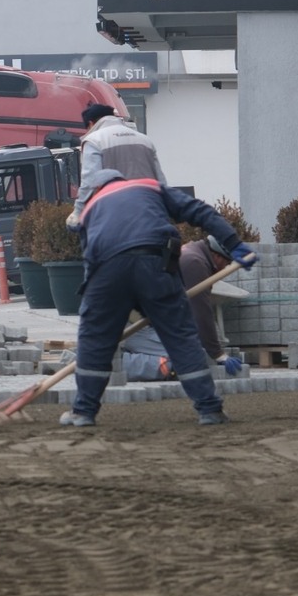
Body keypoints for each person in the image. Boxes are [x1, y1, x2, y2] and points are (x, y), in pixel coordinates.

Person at [62, 169, 256, 428]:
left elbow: (90, 263)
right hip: (155, 263)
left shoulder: (89, 209)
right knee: (181, 337)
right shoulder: (149, 187)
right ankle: (209, 409)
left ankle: (83, 412)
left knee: (94, 341)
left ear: (95, 190)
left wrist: (99, 314)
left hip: (107, 271)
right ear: (122, 181)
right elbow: (200, 211)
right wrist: (233, 244)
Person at [119, 238, 246, 380]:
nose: (225, 268)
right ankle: (115, 363)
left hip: (147, 320)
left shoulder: (192, 253)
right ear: (217, 256)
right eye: (227, 263)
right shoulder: (195, 263)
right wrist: (219, 355)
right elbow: (201, 313)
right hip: (135, 324)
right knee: (188, 358)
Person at [68, 102, 165, 229]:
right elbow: (161, 181)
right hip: (149, 211)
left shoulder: (94, 141)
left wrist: (77, 212)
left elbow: (90, 180)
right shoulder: (144, 139)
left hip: (115, 214)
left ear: (91, 123)